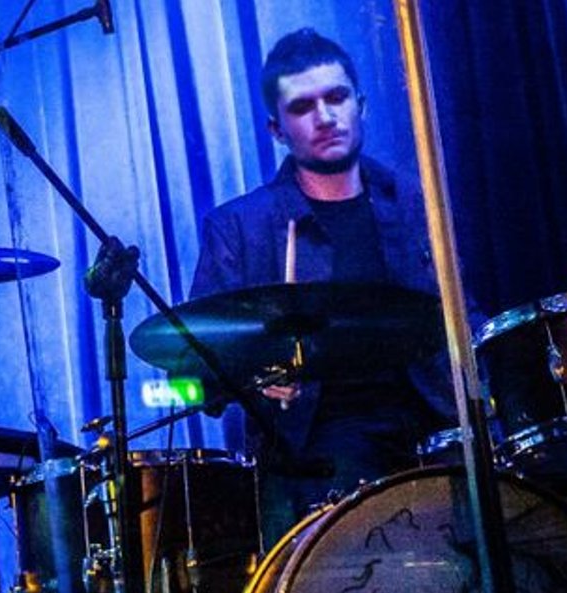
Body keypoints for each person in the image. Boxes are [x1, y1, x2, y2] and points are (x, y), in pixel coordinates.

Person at [189, 28, 457, 547]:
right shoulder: (240, 227)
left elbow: (460, 315)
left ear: (361, 105)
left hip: (434, 428)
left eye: (336, 97)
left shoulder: (413, 200)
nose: (326, 116)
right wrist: (253, 376)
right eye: (303, 106)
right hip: (318, 451)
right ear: (276, 129)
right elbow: (199, 366)